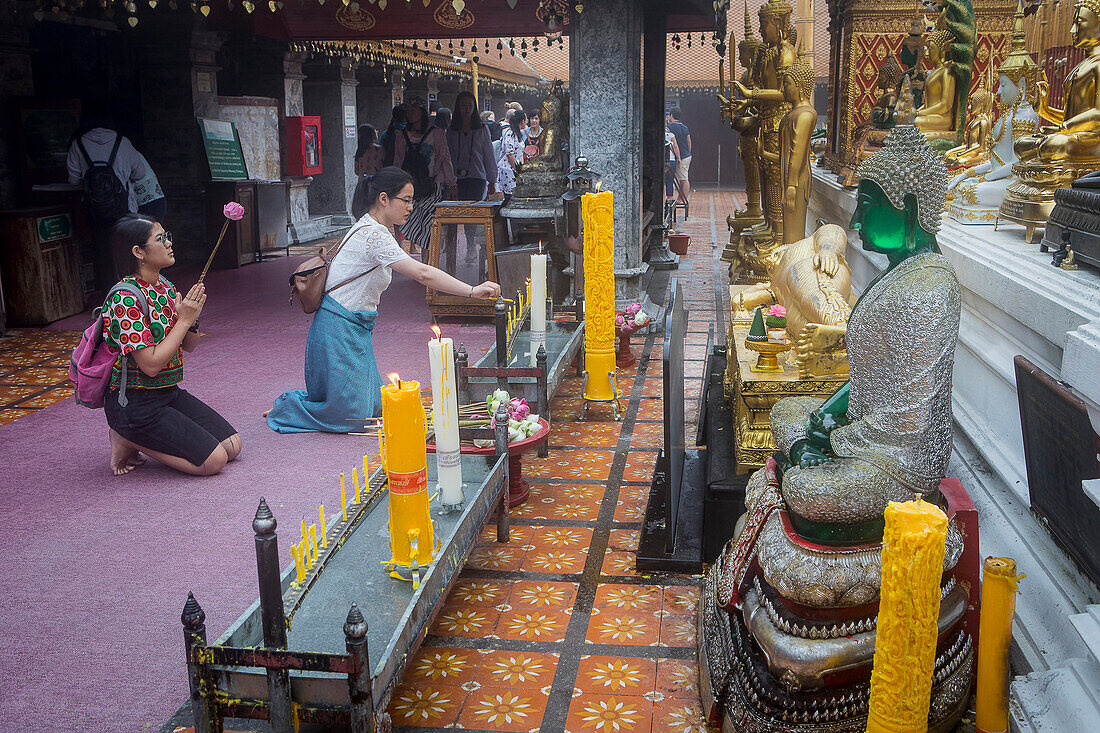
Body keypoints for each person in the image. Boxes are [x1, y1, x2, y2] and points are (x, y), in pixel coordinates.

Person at [266, 168, 500, 434]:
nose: (411, 207)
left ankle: (301, 406)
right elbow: (423, 272)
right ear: (384, 199)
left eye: (412, 200)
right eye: (406, 200)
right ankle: (289, 408)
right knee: (354, 418)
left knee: (376, 406)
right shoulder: (374, 234)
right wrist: (471, 290)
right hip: (337, 330)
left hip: (350, 330)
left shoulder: (374, 227)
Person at [100, 214, 241, 476]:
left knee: (233, 446)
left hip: (168, 393)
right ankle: (126, 436)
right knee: (214, 462)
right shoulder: (125, 299)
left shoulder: (164, 286)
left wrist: (191, 320)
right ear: (138, 252)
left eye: (168, 237)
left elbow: (189, 346)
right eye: (160, 239)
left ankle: (139, 436)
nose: (168, 244)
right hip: (135, 403)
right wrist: (184, 319)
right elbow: (151, 365)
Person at [67, 103, 148, 293]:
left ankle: (107, 293)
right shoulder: (122, 142)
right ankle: (132, 292)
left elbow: (73, 180)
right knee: (129, 249)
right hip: (124, 207)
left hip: (95, 210)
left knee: (102, 249)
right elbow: (140, 173)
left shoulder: (77, 144)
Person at [392, 97, 456, 259]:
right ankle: (421, 258)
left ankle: (428, 261)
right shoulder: (401, 135)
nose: (410, 113)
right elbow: (397, 161)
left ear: (421, 111)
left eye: (413, 110)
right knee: (411, 222)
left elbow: (444, 158)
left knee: (429, 226)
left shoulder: (437, 134)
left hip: (432, 187)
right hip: (409, 188)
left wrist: (451, 182)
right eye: (408, 111)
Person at [446, 91, 499, 273]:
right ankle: (450, 249)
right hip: (455, 179)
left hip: (476, 177)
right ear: (458, 107)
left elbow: (488, 155)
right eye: (463, 105)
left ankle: (470, 246)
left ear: (474, 108)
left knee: (473, 213)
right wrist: (449, 179)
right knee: (453, 214)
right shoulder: (451, 130)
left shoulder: (482, 129)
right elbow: (448, 156)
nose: (466, 108)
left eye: (469, 105)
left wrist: (492, 180)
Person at [496, 108, 527, 196]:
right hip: (508, 169)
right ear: (522, 121)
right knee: (510, 196)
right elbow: (509, 154)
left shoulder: (518, 134)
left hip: (515, 168)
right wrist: (516, 170)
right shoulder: (510, 133)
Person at [667, 107, 692, 206]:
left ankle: (683, 199)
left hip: (679, 157)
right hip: (686, 155)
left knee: (684, 178)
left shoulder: (669, 128)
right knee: (682, 178)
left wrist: (679, 157)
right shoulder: (685, 127)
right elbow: (689, 141)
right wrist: (688, 153)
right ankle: (680, 198)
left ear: (671, 115)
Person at [134, 151, 166, 222]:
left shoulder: (123, 146)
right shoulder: (124, 145)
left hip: (147, 200)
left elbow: (140, 174)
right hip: (153, 197)